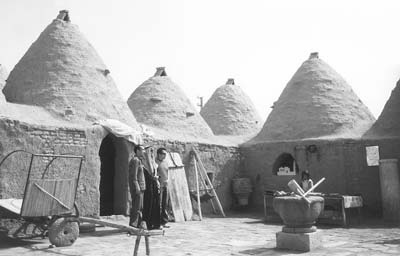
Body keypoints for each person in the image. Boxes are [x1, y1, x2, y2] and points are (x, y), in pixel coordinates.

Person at [142, 146, 161, 230]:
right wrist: (153, 178)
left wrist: (156, 179)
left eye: (153, 151)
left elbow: (154, 173)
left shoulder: (154, 163)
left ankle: (156, 223)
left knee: (156, 204)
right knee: (148, 204)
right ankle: (148, 224)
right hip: (148, 187)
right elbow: (148, 175)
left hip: (154, 186)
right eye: (151, 152)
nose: (152, 154)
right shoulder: (144, 164)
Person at [128, 144, 146, 227]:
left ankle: (138, 224)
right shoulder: (135, 160)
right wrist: (137, 187)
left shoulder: (139, 160)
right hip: (137, 187)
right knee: (136, 207)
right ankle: (133, 225)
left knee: (139, 207)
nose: (144, 151)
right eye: (142, 150)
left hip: (141, 187)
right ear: (138, 151)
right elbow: (134, 176)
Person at [156, 147, 170, 228]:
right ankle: (158, 222)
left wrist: (167, 180)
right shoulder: (155, 162)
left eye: (165, 154)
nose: (164, 156)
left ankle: (164, 221)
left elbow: (167, 172)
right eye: (163, 154)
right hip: (159, 186)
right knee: (159, 204)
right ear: (158, 154)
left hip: (165, 185)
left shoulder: (165, 162)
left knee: (165, 204)